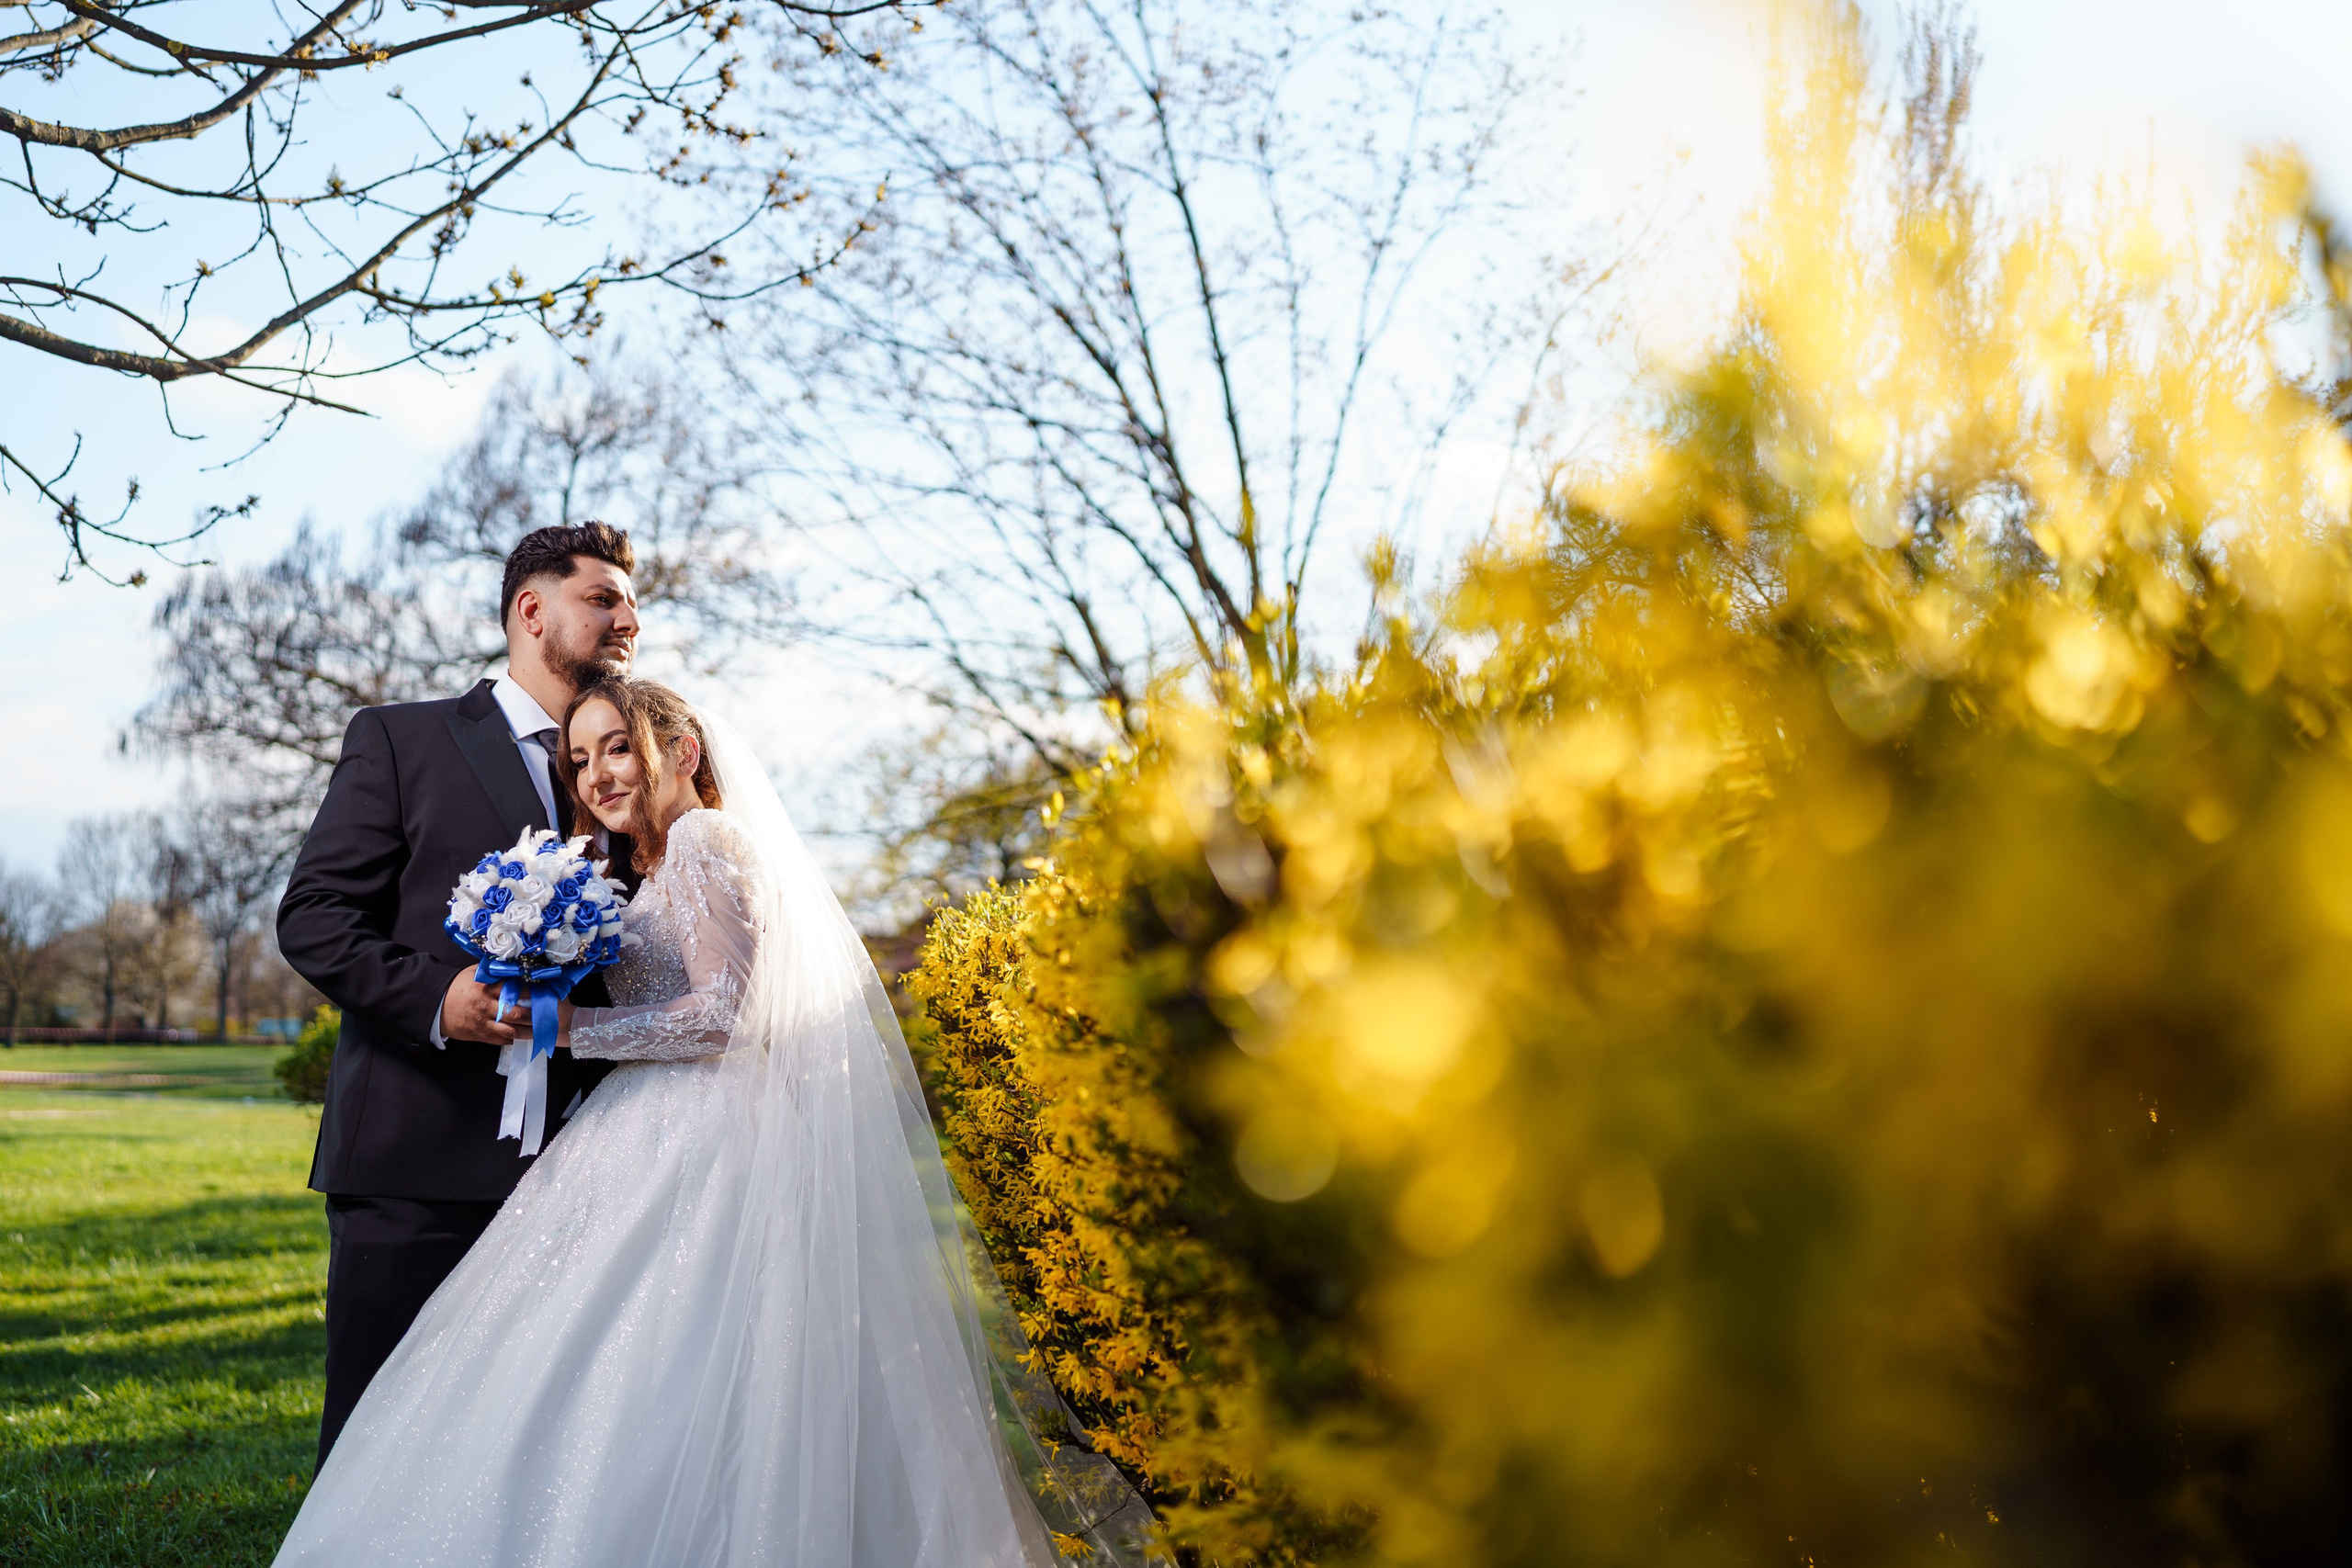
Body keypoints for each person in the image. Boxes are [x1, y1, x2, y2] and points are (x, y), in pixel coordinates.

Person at [273, 679, 1155, 1567]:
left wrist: (570, 1027)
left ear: (682, 750)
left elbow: (725, 1018)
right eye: (579, 759)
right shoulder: (649, 861)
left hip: (710, 1133)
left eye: (617, 747)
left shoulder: (702, 838)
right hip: (642, 1121)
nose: (596, 775)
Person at [277, 523, 645, 1465]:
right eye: (603, 598)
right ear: (532, 609)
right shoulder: (402, 738)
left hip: (582, 1172)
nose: (627, 620)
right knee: (375, 1445)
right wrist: (437, 1002)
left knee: (530, 1457)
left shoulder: (629, 771)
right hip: (412, 1166)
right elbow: (315, 917)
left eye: (631, 604)